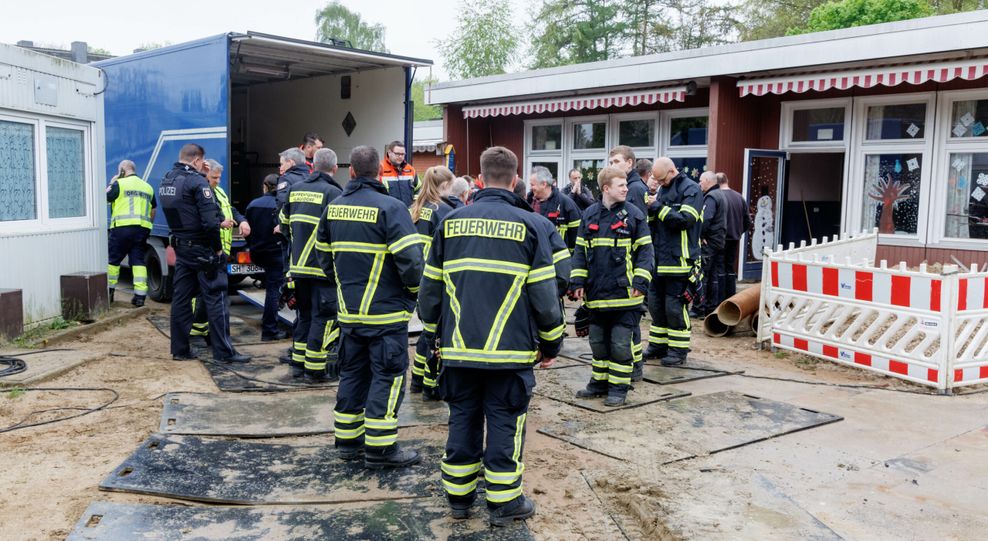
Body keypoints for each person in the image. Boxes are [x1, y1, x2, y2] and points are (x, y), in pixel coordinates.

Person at [418, 146, 564, 526]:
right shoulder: (532, 226)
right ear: (515, 180)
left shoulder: (450, 223)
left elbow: (429, 293)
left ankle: (459, 499)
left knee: (462, 417)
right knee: (505, 421)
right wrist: (551, 344)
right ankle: (503, 503)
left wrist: (432, 336)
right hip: (510, 353)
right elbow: (546, 299)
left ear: (479, 179)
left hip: (458, 349)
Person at [315, 145, 424, 469]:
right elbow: (412, 263)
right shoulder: (391, 208)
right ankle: (381, 450)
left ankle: (348, 442)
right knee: (387, 378)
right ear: (380, 172)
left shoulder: (334, 207)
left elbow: (324, 257)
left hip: (349, 315)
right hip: (386, 316)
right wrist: (412, 295)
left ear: (351, 172)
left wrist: (345, 289)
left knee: (352, 375)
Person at [157, 143, 249, 364]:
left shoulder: (167, 179)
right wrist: (218, 248)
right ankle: (224, 353)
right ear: (198, 161)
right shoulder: (198, 182)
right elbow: (210, 223)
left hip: (182, 248)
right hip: (203, 250)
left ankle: (180, 350)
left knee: (181, 299)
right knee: (216, 299)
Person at [569, 166, 653, 407]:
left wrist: (640, 281)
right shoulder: (590, 215)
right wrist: (577, 281)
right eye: (621, 185)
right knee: (597, 342)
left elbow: (646, 253)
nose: (627, 188)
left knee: (619, 344)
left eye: (626, 184)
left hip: (625, 297)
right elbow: (580, 253)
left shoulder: (635, 215)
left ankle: (618, 387)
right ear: (606, 188)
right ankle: (599, 382)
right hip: (596, 296)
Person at [281, 148, 344, 383]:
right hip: (322, 270)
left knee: (304, 315)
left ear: (312, 165)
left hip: (298, 269)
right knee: (324, 318)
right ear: (334, 168)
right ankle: (314, 371)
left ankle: (298, 364)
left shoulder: (294, 190)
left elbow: (284, 225)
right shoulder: (334, 192)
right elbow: (338, 234)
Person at [647, 157, 702, 366]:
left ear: (671, 171)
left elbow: (684, 221)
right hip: (659, 261)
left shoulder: (691, 190)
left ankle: (678, 350)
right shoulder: (662, 190)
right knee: (656, 306)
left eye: (661, 179)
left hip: (680, 262)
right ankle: (658, 346)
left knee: (674, 308)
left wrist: (657, 208)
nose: (659, 183)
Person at [408, 166, 456, 400]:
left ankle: (417, 379)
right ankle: (431, 386)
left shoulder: (414, 208)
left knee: (426, 331)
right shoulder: (444, 211)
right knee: (437, 334)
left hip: (417, 279)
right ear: (445, 186)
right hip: (436, 280)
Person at [190, 159, 250, 340]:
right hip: (209, 250)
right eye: (214, 177)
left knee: (212, 292)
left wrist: (242, 220)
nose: (217, 180)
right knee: (207, 292)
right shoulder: (202, 193)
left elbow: (230, 208)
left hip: (221, 250)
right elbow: (202, 221)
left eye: (219, 177)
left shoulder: (220, 191)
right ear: (205, 176)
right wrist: (220, 224)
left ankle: (204, 327)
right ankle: (199, 328)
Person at [607, 145, 649, 374]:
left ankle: (634, 366)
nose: (612, 165)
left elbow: (636, 232)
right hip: (623, 267)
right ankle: (635, 364)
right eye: (611, 162)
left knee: (628, 320)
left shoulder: (631, 189)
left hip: (627, 267)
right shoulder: (632, 186)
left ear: (629, 164)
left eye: (616, 161)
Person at [106, 159, 155, 307]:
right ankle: (140, 297)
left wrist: (111, 182)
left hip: (122, 228)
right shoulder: (148, 187)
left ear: (122, 170)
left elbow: (105, 197)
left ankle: (109, 292)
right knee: (138, 261)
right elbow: (153, 209)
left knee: (114, 260)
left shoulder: (119, 184)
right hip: (142, 229)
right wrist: (148, 225)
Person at [245, 174, 288, 341]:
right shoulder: (281, 205)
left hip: (257, 253)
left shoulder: (253, 204)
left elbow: (248, 230)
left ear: (265, 186)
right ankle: (270, 330)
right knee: (273, 291)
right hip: (275, 255)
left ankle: (268, 322)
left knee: (271, 287)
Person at [693, 172, 728, 318]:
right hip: (718, 241)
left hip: (710, 242)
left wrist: (700, 235)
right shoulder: (720, 195)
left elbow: (706, 218)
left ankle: (699, 308)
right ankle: (711, 307)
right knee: (713, 276)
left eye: (701, 181)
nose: (699, 183)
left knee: (702, 275)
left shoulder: (711, 197)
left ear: (707, 181)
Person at [529, 166, 582, 252]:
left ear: (544, 184)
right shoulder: (528, 201)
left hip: (557, 260)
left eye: (532, 185)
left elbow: (576, 238)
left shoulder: (566, 204)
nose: (531, 188)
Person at [718, 172, 751, 298]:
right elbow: (747, 220)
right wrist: (739, 231)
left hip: (720, 238)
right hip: (735, 238)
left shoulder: (717, 197)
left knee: (719, 267)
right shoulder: (739, 197)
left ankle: (720, 297)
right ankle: (731, 295)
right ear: (727, 180)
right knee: (730, 267)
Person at [379, 140, 419, 205]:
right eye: (397, 154)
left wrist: (415, 204)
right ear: (389, 153)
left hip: (408, 212)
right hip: (389, 212)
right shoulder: (380, 168)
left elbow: (419, 189)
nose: (400, 156)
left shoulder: (410, 170)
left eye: (402, 154)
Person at [275, 148, 311, 213]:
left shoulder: (286, 178)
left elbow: (282, 203)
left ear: (290, 162)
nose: (280, 168)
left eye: (282, 164)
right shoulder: (313, 177)